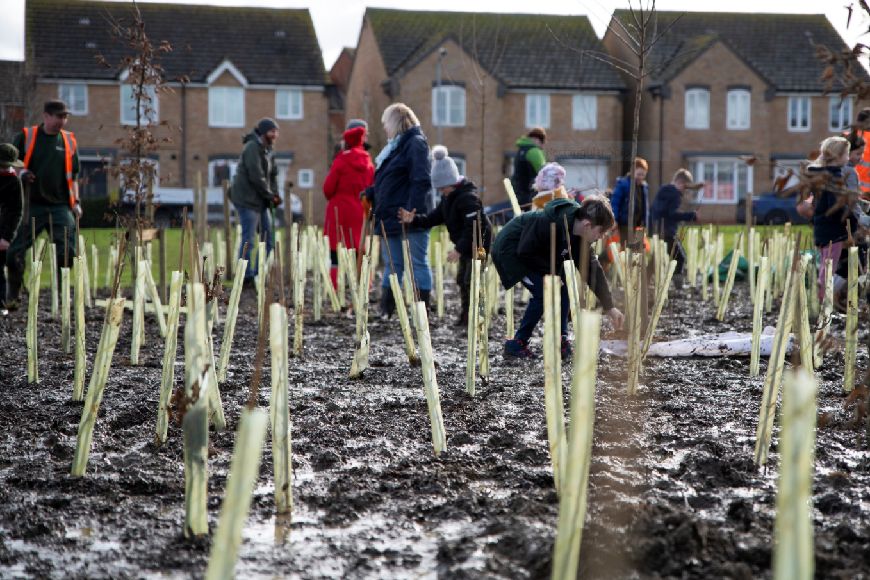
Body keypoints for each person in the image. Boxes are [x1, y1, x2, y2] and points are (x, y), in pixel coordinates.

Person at [492, 195, 624, 359]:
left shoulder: (581, 237)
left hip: (539, 256)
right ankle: (517, 343)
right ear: (587, 225)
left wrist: (609, 306)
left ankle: (560, 340)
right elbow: (525, 252)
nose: (601, 237)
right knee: (544, 293)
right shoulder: (548, 223)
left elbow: (592, 270)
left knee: (564, 288)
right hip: (512, 252)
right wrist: (551, 273)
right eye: (601, 232)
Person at [397, 146, 491, 326]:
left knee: (472, 280)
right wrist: (413, 219)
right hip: (465, 246)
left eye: (442, 188)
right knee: (462, 280)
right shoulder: (449, 199)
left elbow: (473, 228)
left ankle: (477, 318)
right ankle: (467, 314)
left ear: (451, 183)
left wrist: (458, 249)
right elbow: (433, 218)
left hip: (479, 246)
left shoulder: (468, 199)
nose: (441, 192)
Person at [6, 99, 80, 309]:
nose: (62, 121)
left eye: (65, 117)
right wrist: (22, 173)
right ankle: (14, 293)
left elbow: (73, 176)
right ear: (46, 116)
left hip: (60, 206)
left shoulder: (69, 141)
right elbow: (10, 163)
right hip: (32, 205)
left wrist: (76, 202)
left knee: (67, 250)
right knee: (14, 252)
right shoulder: (27, 137)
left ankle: (61, 294)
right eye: (59, 117)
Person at [364, 103, 432, 318]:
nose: (384, 127)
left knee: (417, 263)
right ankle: (387, 310)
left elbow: (420, 179)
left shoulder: (415, 144)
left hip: (409, 215)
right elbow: (392, 181)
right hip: (390, 215)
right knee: (393, 265)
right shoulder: (395, 148)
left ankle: (422, 311)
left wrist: (412, 210)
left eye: (386, 123)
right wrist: (372, 192)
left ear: (395, 122)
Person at [323, 119, 374, 288]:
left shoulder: (341, 161)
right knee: (358, 253)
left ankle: (338, 292)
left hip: (339, 213)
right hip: (359, 212)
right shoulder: (368, 163)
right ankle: (361, 288)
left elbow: (328, 189)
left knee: (336, 256)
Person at [230, 117, 281, 284]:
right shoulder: (252, 147)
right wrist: (269, 195)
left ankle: (259, 272)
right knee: (249, 239)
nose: (275, 135)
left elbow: (272, 176)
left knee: (267, 238)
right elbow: (256, 176)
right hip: (247, 199)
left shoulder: (268, 150)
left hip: (260, 200)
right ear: (264, 132)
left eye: (276, 132)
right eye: (272, 131)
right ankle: (245, 275)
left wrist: (275, 194)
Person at [805, 136, 853, 301]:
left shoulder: (819, 176)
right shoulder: (835, 178)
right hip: (833, 230)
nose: (848, 157)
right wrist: (851, 219)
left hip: (822, 228)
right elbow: (837, 206)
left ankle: (821, 295)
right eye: (846, 154)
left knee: (826, 261)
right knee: (829, 265)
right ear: (838, 157)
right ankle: (822, 299)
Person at [649, 168, 698, 281]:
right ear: (681, 183)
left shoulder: (663, 190)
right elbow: (673, 214)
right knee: (680, 258)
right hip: (668, 232)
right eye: (685, 187)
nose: (684, 190)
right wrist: (691, 215)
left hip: (657, 230)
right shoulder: (674, 194)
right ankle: (677, 285)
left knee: (656, 259)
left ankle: (645, 280)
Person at [0, 144, 24, 315]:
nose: (6, 168)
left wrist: (6, 237)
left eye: (8, 165)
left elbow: (16, 211)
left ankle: (1, 304)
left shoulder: (13, 181)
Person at [610, 157, 650, 247]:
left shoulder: (644, 187)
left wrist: (646, 225)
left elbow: (645, 208)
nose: (641, 177)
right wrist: (614, 219)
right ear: (632, 172)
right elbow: (615, 203)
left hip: (638, 225)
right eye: (639, 174)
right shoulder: (623, 184)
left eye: (643, 175)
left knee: (638, 249)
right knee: (624, 247)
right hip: (624, 223)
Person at [511, 128, 547, 207]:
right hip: (531, 196)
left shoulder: (520, 151)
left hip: (518, 195)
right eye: (542, 143)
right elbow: (545, 173)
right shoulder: (534, 151)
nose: (542, 147)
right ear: (538, 139)